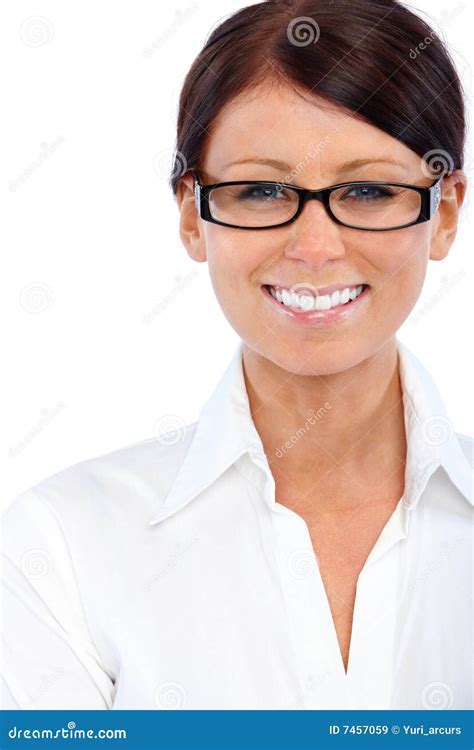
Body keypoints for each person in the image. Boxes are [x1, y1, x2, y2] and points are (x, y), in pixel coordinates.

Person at [2, 0, 472, 710]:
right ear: (192, 214)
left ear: (443, 214)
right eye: (260, 190)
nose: (315, 248)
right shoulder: (61, 546)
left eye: (370, 190)